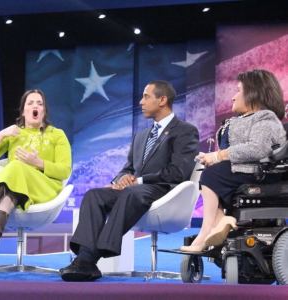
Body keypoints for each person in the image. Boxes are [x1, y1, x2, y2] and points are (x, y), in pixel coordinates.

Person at [60, 80, 199, 282]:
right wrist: (119, 180)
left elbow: (178, 172)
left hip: (164, 191)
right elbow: (129, 168)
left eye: (146, 96)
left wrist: (139, 180)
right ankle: (85, 259)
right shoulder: (141, 135)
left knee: (132, 192)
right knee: (95, 195)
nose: (141, 101)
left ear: (162, 100)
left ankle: (88, 259)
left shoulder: (185, 131)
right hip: (135, 191)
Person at [0, 89, 72, 276]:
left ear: (44, 111)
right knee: (5, 198)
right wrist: (2, 134)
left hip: (44, 188)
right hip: (16, 188)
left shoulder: (57, 135)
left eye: (39, 104)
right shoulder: (14, 133)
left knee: (17, 167)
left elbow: (64, 170)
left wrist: (38, 163)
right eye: (30, 103)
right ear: (23, 111)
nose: (35, 106)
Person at [181, 69, 286, 252]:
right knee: (209, 173)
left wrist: (219, 156)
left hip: (261, 175)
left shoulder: (266, 120)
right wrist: (213, 158)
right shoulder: (243, 120)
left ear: (254, 94)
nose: (233, 97)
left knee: (212, 175)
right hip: (244, 170)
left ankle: (206, 232)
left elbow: (257, 149)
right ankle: (221, 221)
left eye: (238, 90)